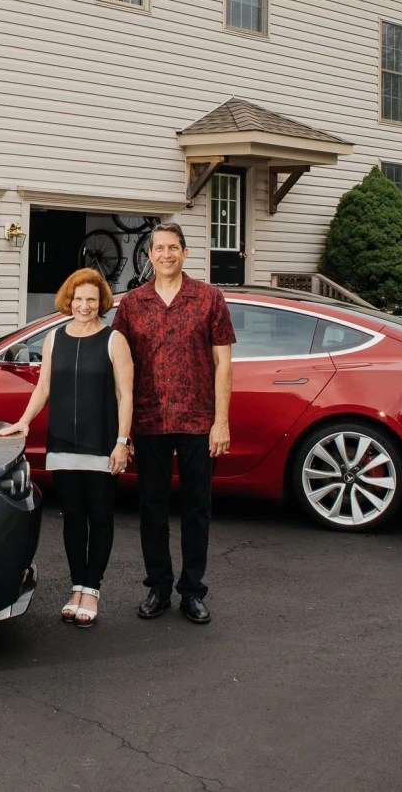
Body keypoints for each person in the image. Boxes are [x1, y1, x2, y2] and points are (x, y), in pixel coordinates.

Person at [112, 222, 234, 625]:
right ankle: (159, 588)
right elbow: (121, 371)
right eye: (159, 248)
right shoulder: (132, 304)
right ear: (149, 255)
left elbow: (223, 364)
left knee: (197, 508)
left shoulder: (209, 297)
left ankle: (192, 591)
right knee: (152, 508)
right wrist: (124, 432)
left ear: (185, 253)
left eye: (173, 247)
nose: (166, 254)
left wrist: (221, 422)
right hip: (149, 421)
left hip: (198, 420)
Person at [0, 267, 133, 627]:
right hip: (62, 442)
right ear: (69, 301)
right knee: (73, 518)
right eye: (78, 298)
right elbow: (43, 387)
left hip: (102, 443)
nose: (84, 305)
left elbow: (125, 395)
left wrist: (122, 442)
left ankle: (93, 590)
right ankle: (77, 588)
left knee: (100, 517)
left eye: (91, 299)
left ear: (101, 302)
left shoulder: (114, 340)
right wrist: (24, 421)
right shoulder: (55, 338)